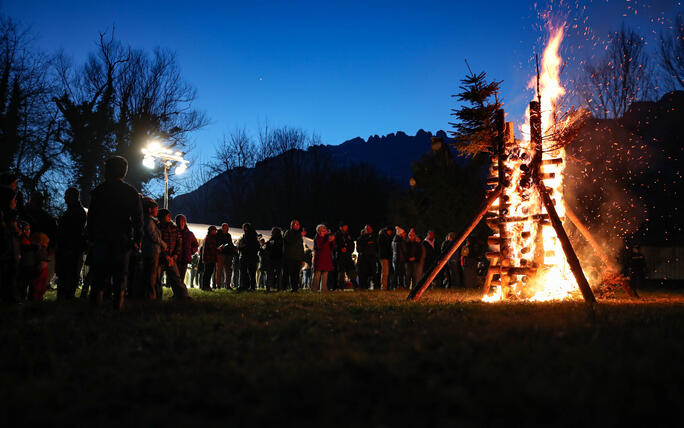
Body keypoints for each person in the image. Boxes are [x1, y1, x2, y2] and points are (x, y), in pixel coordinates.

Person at [87, 156, 143, 310]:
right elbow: (138, 219)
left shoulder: (99, 191)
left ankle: (95, 309)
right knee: (120, 275)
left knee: (99, 274)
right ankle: (117, 307)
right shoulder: (131, 192)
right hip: (122, 239)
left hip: (101, 237)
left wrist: (90, 237)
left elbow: (91, 217)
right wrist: (137, 239)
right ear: (124, 171)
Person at [55, 187, 87, 300]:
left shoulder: (76, 212)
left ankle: (66, 297)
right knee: (67, 274)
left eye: (66, 195)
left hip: (71, 248)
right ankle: (65, 297)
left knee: (69, 274)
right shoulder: (75, 211)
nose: (64, 198)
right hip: (71, 247)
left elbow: (73, 232)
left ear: (71, 197)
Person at [157, 209, 190, 300]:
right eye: (167, 216)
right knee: (157, 278)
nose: (169, 218)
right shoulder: (158, 228)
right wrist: (165, 256)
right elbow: (158, 243)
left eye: (169, 216)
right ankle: (157, 296)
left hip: (172, 258)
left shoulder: (174, 228)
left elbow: (179, 243)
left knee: (176, 277)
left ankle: (183, 296)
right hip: (161, 257)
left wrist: (175, 255)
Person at [140, 197, 165, 299]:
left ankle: (150, 294)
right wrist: (162, 243)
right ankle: (151, 295)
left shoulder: (149, 221)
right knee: (151, 273)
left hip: (151, 250)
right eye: (155, 208)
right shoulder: (149, 222)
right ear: (150, 209)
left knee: (151, 273)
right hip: (152, 250)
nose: (157, 211)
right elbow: (153, 235)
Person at [176, 214, 198, 290]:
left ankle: (180, 293)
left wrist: (190, 251)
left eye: (183, 221)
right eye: (179, 221)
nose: (181, 222)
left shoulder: (189, 234)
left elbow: (196, 245)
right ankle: (177, 292)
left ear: (185, 222)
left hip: (185, 258)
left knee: (181, 276)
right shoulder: (174, 231)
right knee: (176, 276)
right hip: (175, 257)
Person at [283, 219, 305, 292]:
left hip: (297, 258)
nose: (298, 226)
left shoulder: (298, 234)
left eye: (298, 224)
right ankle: (284, 288)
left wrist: (302, 258)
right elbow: (290, 241)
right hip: (290, 257)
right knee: (287, 273)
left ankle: (295, 289)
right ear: (291, 225)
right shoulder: (288, 232)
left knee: (296, 275)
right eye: (296, 224)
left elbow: (301, 247)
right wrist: (299, 235)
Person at [334, 222, 357, 290]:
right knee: (341, 271)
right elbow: (335, 245)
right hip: (340, 256)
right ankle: (340, 286)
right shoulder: (337, 235)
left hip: (348, 256)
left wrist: (348, 250)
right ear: (341, 227)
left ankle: (355, 285)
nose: (346, 228)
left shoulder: (348, 235)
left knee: (351, 270)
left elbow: (352, 245)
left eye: (346, 226)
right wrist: (340, 249)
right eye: (344, 226)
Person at [237, 223, 259, 291]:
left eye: (244, 228)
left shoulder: (248, 236)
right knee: (251, 273)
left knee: (246, 272)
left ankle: (246, 286)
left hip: (247, 256)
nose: (244, 229)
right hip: (252, 257)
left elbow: (247, 246)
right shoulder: (253, 236)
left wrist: (241, 248)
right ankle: (251, 286)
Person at [312, 224, 334, 292]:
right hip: (320, 258)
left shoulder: (326, 238)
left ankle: (324, 288)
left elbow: (332, 247)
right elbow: (319, 246)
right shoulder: (317, 238)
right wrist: (327, 239)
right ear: (319, 231)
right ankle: (314, 288)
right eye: (323, 231)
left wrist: (332, 241)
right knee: (317, 274)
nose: (325, 232)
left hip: (326, 257)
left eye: (325, 231)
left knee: (325, 274)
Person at [356, 225, 378, 290]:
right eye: (367, 229)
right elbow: (359, 248)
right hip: (364, 258)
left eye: (369, 229)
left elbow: (376, 246)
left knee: (373, 273)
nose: (368, 230)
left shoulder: (374, 237)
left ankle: (375, 286)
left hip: (372, 257)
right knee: (364, 273)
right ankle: (363, 286)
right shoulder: (361, 238)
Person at [216, 223, 234, 289]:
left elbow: (229, 243)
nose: (226, 229)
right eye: (225, 227)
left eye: (227, 228)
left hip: (227, 254)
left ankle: (227, 285)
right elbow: (217, 243)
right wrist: (220, 246)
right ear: (222, 228)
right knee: (219, 271)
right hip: (220, 254)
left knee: (228, 271)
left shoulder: (228, 235)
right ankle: (218, 285)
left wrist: (225, 245)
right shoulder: (218, 234)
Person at [265, 227, 284, 291]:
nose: (272, 233)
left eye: (273, 232)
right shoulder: (278, 240)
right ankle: (276, 288)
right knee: (275, 274)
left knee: (274, 274)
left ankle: (271, 288)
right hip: (275, 258)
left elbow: (268, 249)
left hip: (275, 258)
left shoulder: (276, 240)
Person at [201, 226, 218, 290]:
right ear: (211, 231)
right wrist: (218, 249)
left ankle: (206, 286)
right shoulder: (209, 237)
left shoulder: (209, 237)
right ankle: (205, 286)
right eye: (214, 230)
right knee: (208, 273)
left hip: (210, 258)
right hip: (209, 258)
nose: (215, 231)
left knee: (208, 272)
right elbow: (211, 248)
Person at [377, 226, 394, 291]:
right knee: (385, 272)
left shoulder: (385, 237)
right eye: (390, 231)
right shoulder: (383, 237)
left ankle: (385, 286)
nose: (391, 233)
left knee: (386, 272)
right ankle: (384, 287)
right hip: (384, 257)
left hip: (385, 256)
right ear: (388, 231)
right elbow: (385, 247)